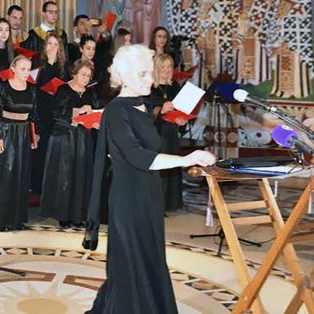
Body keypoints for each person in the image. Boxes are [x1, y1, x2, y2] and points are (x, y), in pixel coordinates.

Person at [84, 45, 216, 314]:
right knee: (131, 261)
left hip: (150, 194)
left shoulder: (143, 106)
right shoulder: (116, 110)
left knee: (150, 257)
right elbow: (138, 156)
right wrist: (186, 159)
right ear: (125, 76)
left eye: (150, 73)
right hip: (128, 199)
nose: (150, 80)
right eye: (142, 74)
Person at [40, 59, 99, 228]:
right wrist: (78, 112)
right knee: (65, 175)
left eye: (88, 76)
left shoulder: (90, 93)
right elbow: (56, 113)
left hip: (83, 138)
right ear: (74, 74)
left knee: (81, 174)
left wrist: (95, 120)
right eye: (83, 75)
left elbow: (95, 112)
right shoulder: (64, 90)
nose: (86, 79)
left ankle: (78, 215)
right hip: (64, 137)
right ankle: (63, 215)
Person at [0, 54, 37, 231]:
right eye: (22, 69)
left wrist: (34, 135)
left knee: (19, 175)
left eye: (28, 69)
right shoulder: (2, 87)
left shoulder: (32, 89)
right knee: (2, 176)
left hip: (23, 135)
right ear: (13, 68)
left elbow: (34, 115)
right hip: (6, 133)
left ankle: (15, 218)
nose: (26, 73)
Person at [30, 34, 68, 193]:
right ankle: (36, 185)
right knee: (40, 148)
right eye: (49, 43)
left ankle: (50, 186)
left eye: (55, 44)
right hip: (40, 109)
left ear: (60, 48)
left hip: (56, 111)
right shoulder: (38, 63)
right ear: (45, 46)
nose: (52, 47)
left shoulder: (63, 67)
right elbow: (31, 85)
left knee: (53, 149)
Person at [149, 54, 186, 211]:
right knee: (160, 166)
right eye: (163, 67)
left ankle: (171, 202)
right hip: (157, 131)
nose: (166, 70)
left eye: (169, 67)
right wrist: (160, 110)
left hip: (171, 131)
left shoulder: (175, 86)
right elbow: (145, 110)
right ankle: (157, 204)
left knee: (173, 163)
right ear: (156, 68)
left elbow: (181, 109)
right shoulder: (150, 88)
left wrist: (182, 120)